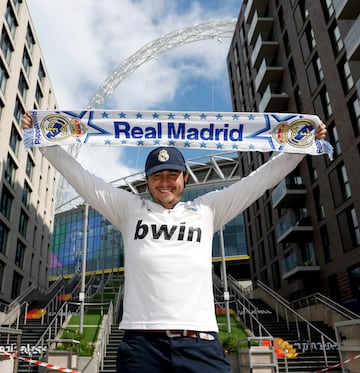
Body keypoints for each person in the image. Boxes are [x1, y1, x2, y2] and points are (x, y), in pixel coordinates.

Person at [22, 113, 326, 372]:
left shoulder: (207, 209)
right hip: (142, 346)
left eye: (172, 174)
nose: (164, 181)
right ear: (147, 181)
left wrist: (301, 146)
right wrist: (42, 139)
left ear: (185, 177)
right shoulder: (129, 209)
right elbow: (81, 178)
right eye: (156, 175)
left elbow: (260, 180)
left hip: (201, 345)